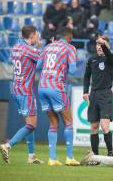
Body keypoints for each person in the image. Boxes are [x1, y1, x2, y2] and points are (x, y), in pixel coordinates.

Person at [0, 25, 44, 165]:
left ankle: (31, 156)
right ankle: (8, 145)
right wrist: (39, 46)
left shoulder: (16, 47)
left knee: (29, 122)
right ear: (32, 36)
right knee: (32, 125)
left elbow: (30, 64)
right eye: (36, 34)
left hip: (16, 88)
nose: (38, 36)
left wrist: (36, 47)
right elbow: (42, 63)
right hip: (26, 91)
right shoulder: (29, 50)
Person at [37, 27, 80, 166]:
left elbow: (38, 66)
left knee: (53, 123)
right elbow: (72, 71)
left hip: (42, 87)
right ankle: (69, 157)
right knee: (68, 122)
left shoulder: (48, 47)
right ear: (70, 37)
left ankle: (52, 158)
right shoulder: (70, 48)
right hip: (56, 87)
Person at [83, 36, 113, 158]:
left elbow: (108, 53)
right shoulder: (91, 60)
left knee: (104, 126)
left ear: (107, 46)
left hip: (105, 94)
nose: (99, 47)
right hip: (94, 94)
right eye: (97, 45)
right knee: (94, 127)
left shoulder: (111, 58)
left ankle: (110, 153)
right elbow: (87, 77)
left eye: (101, 45)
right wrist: (85, 92)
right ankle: (95, 155)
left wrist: (103, 44)